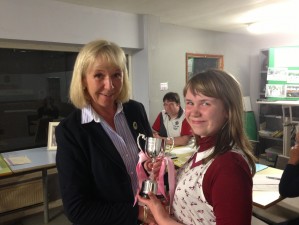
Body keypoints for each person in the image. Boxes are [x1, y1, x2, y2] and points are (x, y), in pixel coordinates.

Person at [55, 39, 159, 225]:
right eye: (99, 75)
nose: (110, 85)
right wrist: (136, 213)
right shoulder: (70, 131)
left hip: (151, 215)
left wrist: (154, 168)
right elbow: (77, 209)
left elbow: (148, 161)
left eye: (116, 75)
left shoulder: (135, 110)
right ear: (83, 80)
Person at [138, 69, 257, 225]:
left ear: (228, 109)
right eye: (190, 103)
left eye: (205, 103)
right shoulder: (204, 149)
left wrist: (163, 218)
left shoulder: (229, 166)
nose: (194, 112)